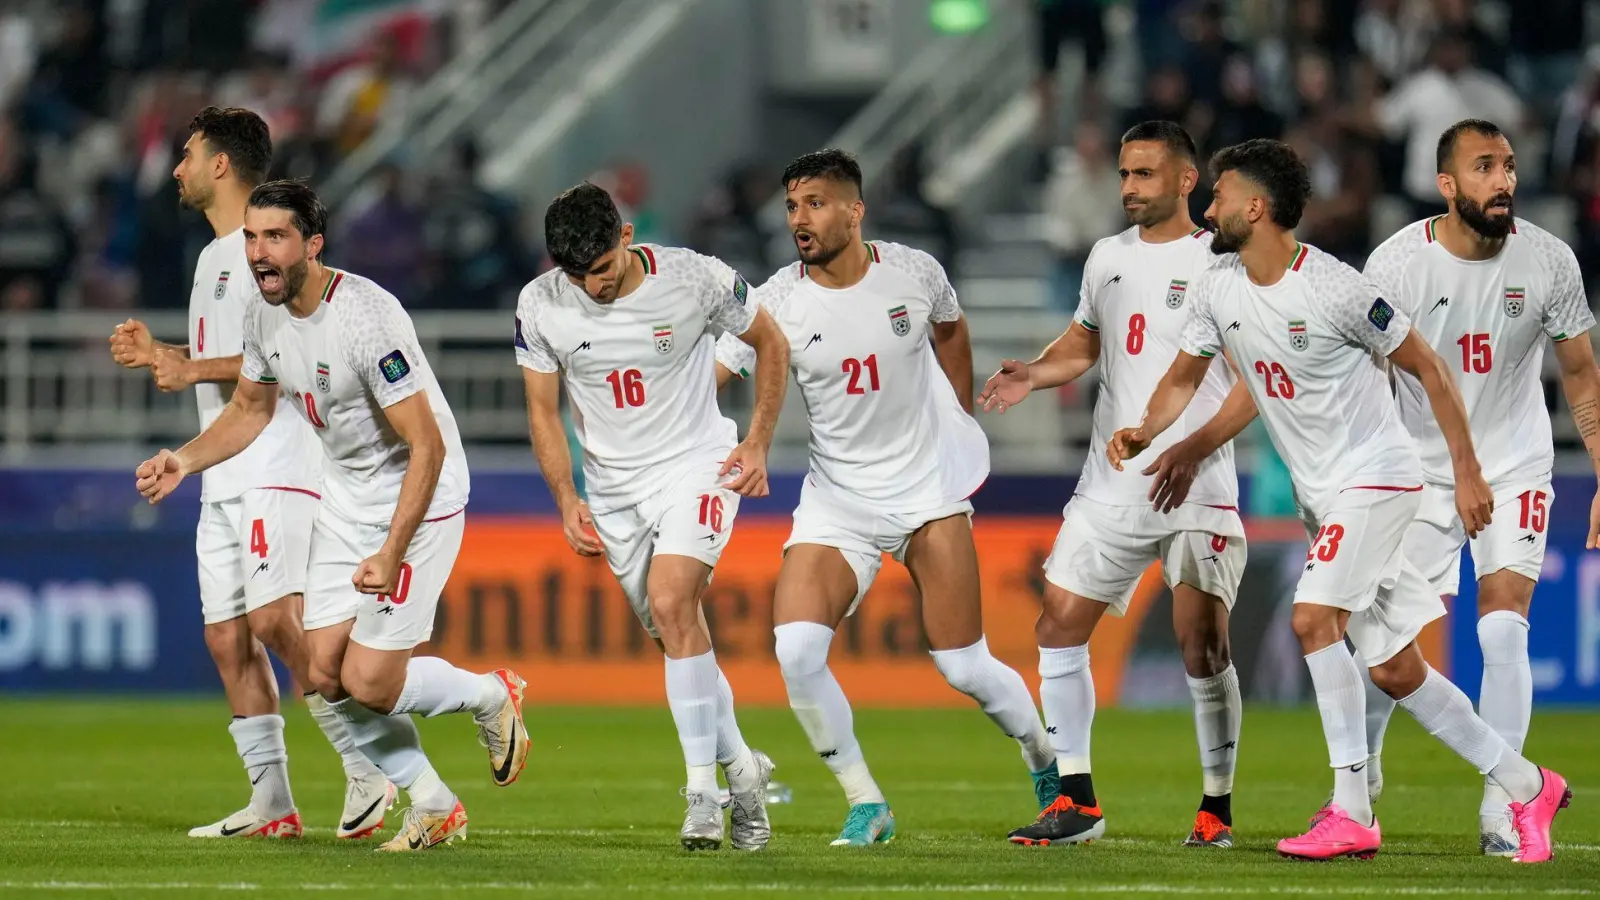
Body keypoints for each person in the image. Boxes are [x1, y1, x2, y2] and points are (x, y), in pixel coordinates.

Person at [1110, 138, 1569, 863]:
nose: (1208, 207)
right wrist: (1148, 430)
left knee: (1313, 617)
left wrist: (1468, 469)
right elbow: (1185, 379)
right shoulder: (1217, 286)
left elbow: (1428, 369)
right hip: (1323, 495)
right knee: (1392, 667)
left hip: (1379, 475)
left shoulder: (1335, 288)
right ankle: (1527, 783)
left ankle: (1353, 808)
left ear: (1256, 207)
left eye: (1220, 194)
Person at [134, 180, 528, 853]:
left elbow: (426, 444)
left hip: (419, 496)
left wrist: (393, 551)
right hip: (348, 498)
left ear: (313, 245)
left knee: (370, 682)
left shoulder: (367, 319)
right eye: (253, 238)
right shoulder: (264, 314)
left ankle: (490, 695)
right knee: (322, 673)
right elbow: (250, 409)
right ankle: (433, 804)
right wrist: (186, 460)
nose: (259, 252)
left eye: (276, 238)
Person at [715, 150, 1056, 847]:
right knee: (796, 650)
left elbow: (952, 328)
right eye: (791, 206)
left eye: (815, 203)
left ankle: (1048, 766)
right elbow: (716, 373)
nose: (799, 220)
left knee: (964, 665)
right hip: (838, 502)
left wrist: (956, 420)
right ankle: (867, 802)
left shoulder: (914, 273)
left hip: (927, 494)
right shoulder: (776, 300)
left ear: (854, 209)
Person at [108, 107, 392, 841]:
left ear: (222, 165)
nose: (177, 168)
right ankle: (273, 804)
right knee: (228, 639)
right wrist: (164, 354)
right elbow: (232, 355)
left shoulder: (266, 251)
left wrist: (187, 366)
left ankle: (369, 766)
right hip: (220, 464)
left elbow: (285, 356)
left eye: (187, 154)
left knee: (274, 621)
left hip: (277, 454)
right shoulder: (211, 260)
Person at [979, 121, 1256, 848]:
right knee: (1057, 623)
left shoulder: (1223, 264)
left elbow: (1255, 382)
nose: (1129, 187)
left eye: (1144, 175)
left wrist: (1195, 447)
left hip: (1196, 480)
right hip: (1112, 481)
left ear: (1186, 181)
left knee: (1203, 645)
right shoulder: (1106, 257)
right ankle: (1077, 802)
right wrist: (1034, 373)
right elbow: (1085, 341)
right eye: (1125, 174)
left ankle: (1216, 808)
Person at [515, 182, 789, 851]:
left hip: (696, 463)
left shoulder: (694, 278)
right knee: (677, 635)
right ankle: (744, 770)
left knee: (672, 602)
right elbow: (542, 412)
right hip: (612, 491)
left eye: (603, 269)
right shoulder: (540, 304)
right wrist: (565, 498)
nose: (594, 286)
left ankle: (703, 794)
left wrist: (756, 442)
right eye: (578, 275)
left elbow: (771, 341)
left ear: (628, 236)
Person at [1360, 118, 1600, 857]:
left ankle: (1503, 807)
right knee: (1380, 644)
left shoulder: (1550, 260)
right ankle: (1357, 786)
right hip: (1419, 472)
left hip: (1516, 463)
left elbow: (1582, 374)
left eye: (1509, 166)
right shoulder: (1396, 266)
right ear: (1446, 184)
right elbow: (1362, 375)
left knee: (1501, 627)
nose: (1504, 180)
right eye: (1485, 166)